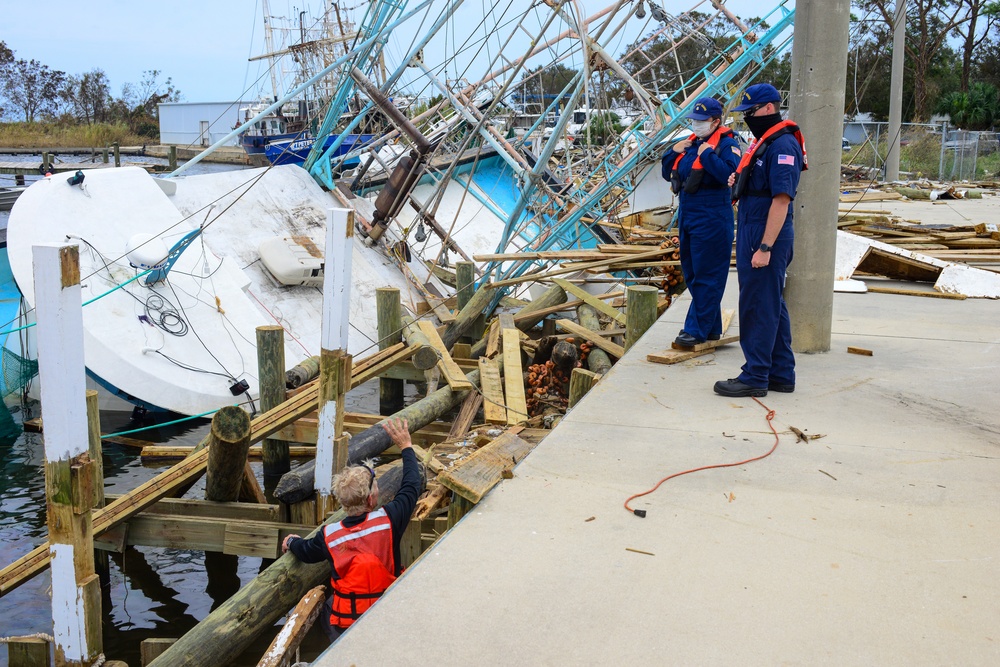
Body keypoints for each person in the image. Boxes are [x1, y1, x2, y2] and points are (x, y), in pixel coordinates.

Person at [281, 417, 420, 642]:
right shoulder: (390, 520)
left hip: (346, 623)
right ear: (372, 498)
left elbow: (305, 551)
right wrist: (405, 446)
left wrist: (291, 542)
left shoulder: (329, 536)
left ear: (342, 502)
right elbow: (412, 484)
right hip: (384, 610)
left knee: (328, 605)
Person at [714, 83, 807, 398]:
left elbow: (781, 200)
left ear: (768, 108)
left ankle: (754, 375)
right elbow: (760, 185)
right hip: (756, 225)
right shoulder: (766, 144)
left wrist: (765, 247)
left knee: (757, 305)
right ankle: (780, 373)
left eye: (750, 112)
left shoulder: (782, 146)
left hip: (766, 232)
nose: (748, 119)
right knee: (771, 304)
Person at [662, 97, 742, 346]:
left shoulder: (727, 145)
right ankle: (711, 327)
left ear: (716, 121)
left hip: (712, 214)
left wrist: (707, 154)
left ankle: (695, 330)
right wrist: (671, 152)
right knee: (694, 273)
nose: (696, 125)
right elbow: (669, 173)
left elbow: (730, 175)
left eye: (701, 121)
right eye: (693, 121)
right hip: (688, 212)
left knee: (709, 274)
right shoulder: (691, 143)